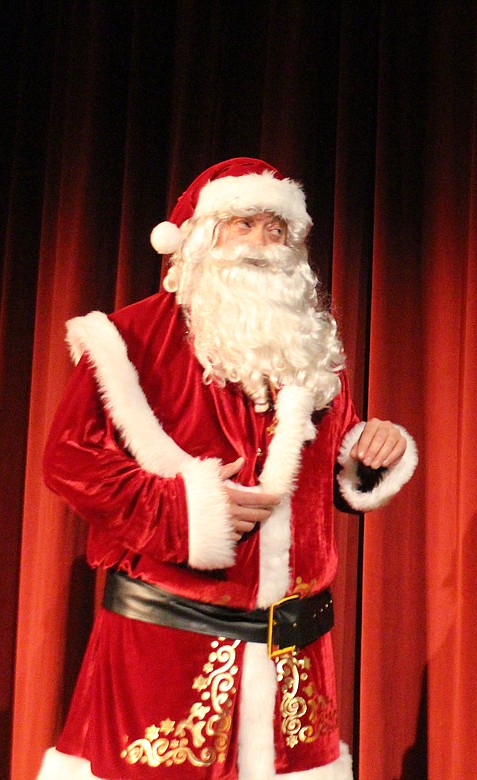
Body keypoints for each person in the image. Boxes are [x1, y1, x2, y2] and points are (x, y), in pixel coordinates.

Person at [37, 158, 418, 779]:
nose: (264, 246)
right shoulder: (129, 338)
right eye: (244, 224)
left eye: (277, 230)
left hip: (296, 651)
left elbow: (328, 464)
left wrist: (370, 454)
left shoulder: (309, 347)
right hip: (171, 639)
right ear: (202, 239)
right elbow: (70, 461)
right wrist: (187, 509)